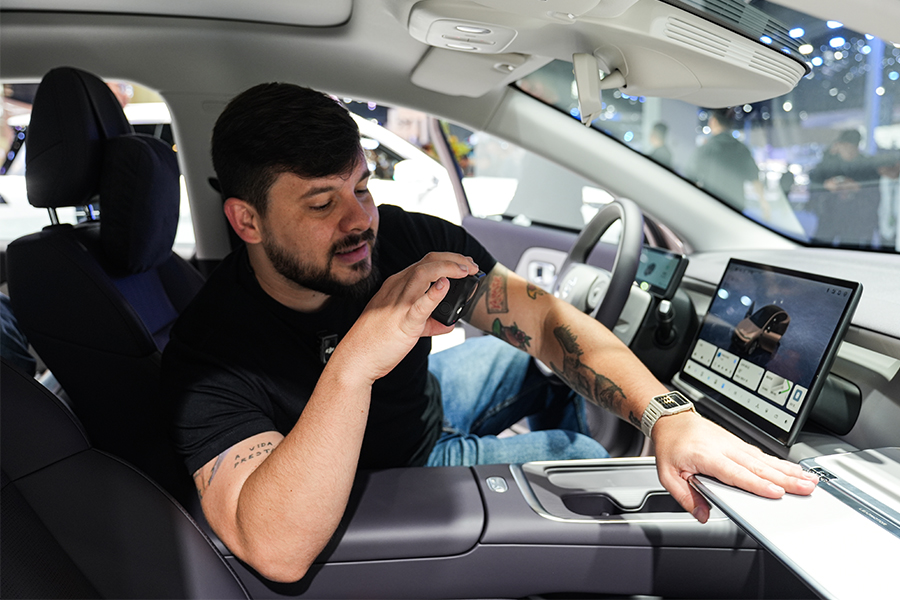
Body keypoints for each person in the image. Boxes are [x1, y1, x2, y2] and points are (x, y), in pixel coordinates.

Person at [162, 83, 817, 583]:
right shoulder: (209, 352)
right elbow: (274, 548)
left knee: (540, 369)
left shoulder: (405, 241)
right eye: (321, 203)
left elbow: (546, 323)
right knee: (579, 460)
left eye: (361, 187)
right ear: (247, 221)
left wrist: (667, 417)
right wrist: (355, 363)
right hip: (392, 472)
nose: (359, 221)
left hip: (428, 403)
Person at [686, 108, 769, 219]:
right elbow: (755, 179)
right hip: (736, 208)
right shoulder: (741, 149)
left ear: (713, 121)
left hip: (710, 207)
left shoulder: (706, 149)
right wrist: (764, 204)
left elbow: (691, 177)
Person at [807, 130, 881, 247]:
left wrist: (857, 187)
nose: (849, 151)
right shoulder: (828, 164)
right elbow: (813, 186)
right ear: (839, 145)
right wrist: (826, 185)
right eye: (846, 146)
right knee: (819, 250)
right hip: (829, 216)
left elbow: (876, 193)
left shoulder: (867, 165)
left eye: (852, 147)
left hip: (855, 220)